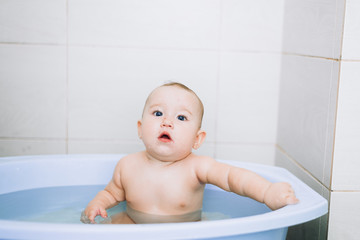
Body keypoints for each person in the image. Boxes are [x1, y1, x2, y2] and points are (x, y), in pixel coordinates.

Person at [82, 82, 299, 224]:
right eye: (158, 113)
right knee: (116, 224)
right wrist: (96, 204)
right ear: (140, 128)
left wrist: (267, 192)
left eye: (181, 118)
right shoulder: (127, 165)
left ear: (197, 139)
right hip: (134, 228)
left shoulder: (198, 167)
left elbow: (235, 179)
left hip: (184, 233)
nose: (167, 122)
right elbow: (111, 194)